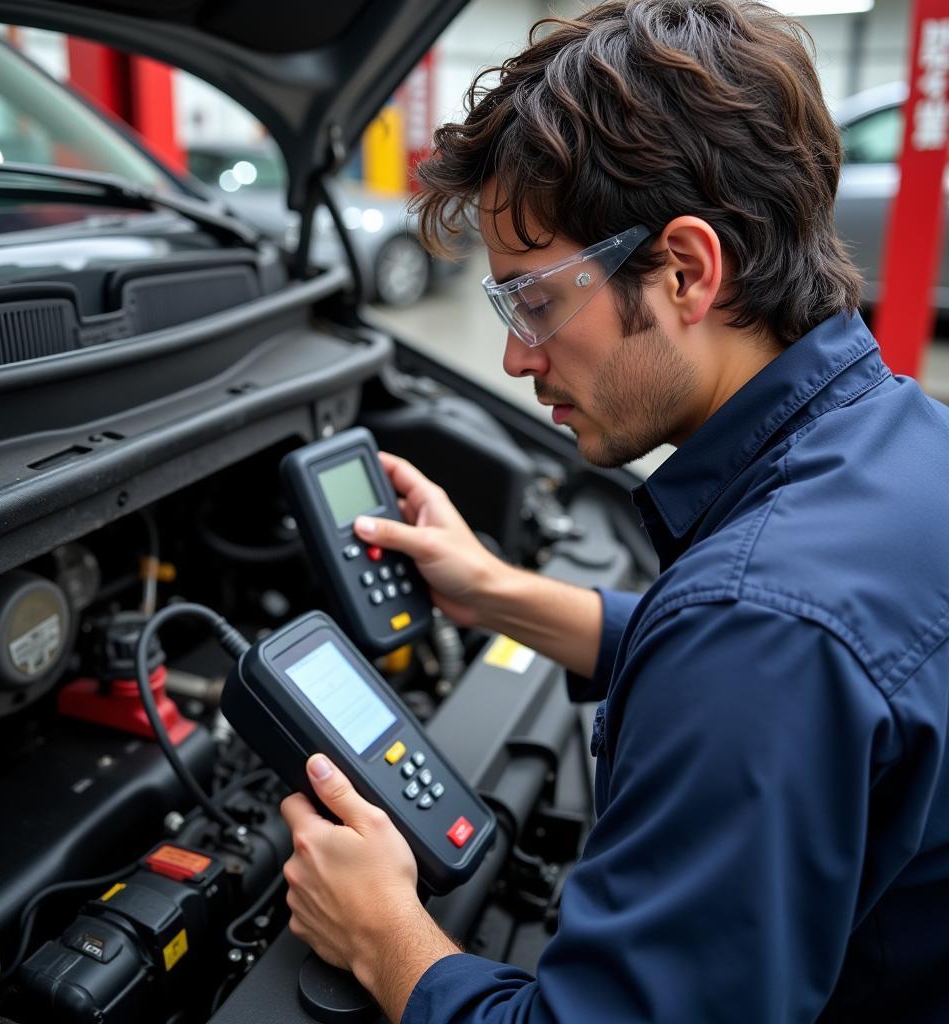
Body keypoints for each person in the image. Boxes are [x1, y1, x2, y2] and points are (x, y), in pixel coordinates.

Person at [279, 2, 949, 1021]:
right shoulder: (899, 441)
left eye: (534, 300)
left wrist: (387, 935)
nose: (511, 356)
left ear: (684, 270)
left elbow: (753, 648)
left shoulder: (759, 627)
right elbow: (789, 657)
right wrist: (497, 594)